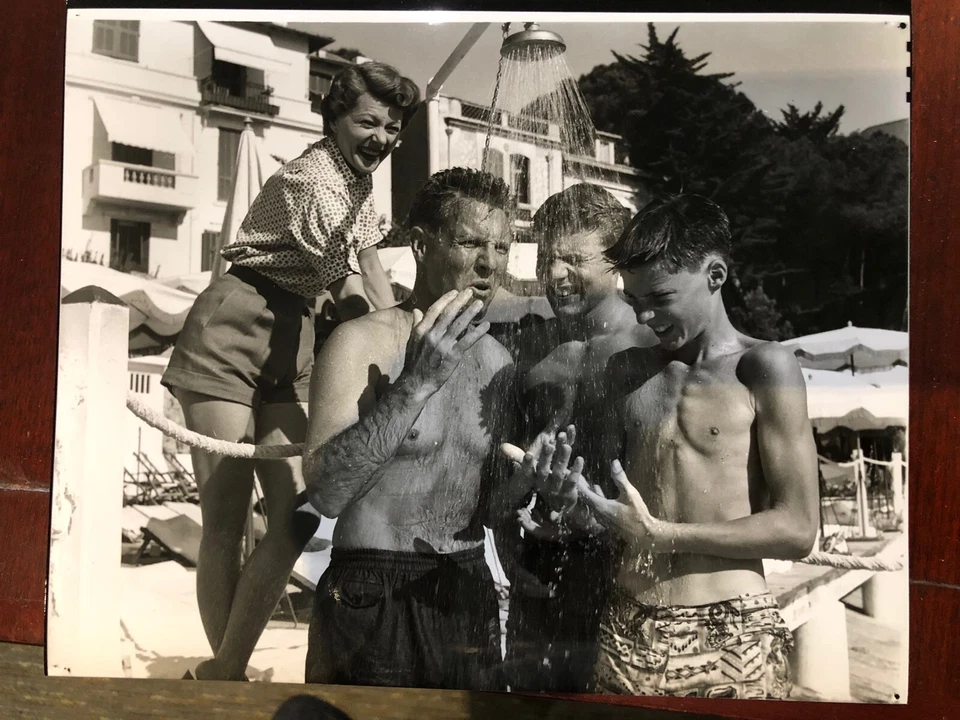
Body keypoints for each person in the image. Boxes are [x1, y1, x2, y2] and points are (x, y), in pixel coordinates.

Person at [160, 61, 420, 681]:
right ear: (333, 118)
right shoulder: (313, 183)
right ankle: (228, 678)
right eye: (368, 122)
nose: (382, 138)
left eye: (393, 128)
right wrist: (402, 347)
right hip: (233, 323)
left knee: (298, 515)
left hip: (292, 334)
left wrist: (413, 335)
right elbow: (348, 290)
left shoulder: (356, 184)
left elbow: (372, 271)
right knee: (224, 514)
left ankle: (222, 667)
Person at [508, 194, 820, 699]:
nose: (647, 316)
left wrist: (662, 534)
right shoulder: (625, 372)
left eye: (661, 297)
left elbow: (798, 528)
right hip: (626, 629)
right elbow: (617, 514)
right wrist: (568, 511)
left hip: (729, 633)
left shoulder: (764, 368)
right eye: (634, 300)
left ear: (714, 275)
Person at [301, 167, 520, 691]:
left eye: (503, 247)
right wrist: (415, 382)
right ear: (421, 246)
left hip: (466, 588)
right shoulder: (359, 343)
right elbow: (327, 492)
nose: (489, 265)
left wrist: (531, 485)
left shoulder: (499, 362)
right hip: (372, 591)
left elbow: (489, 508)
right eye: (469, 243)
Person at [495, 184, 654, 693]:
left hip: (629, 568)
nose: (554, 274)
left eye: (572, 259)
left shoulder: (653, 349)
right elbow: (500, 468)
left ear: (618, 261)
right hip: (537, 564)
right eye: (545, 257)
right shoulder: (529, 350)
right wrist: (510, 556)